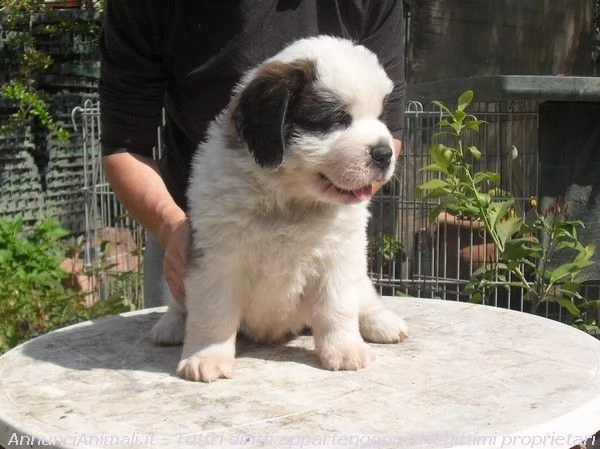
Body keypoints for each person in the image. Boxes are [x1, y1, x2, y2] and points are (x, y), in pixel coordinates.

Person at [99, 0, 407, 307]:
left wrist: (333, 216)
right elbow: (124, 147)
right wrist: (173, 229)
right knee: (195, 343)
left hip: (323, 223)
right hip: (193, 223)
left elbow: (386, 133)